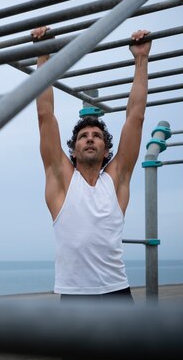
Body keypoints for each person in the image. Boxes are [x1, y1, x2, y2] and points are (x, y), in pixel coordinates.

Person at [31, 26, 151, 303]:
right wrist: (43, 56)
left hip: (117, 292)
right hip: (75, 296)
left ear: (106, 149)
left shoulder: (117, 179)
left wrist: (141, 60)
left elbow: (135, 117)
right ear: (72, 150)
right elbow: (45, 115)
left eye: (97, 136)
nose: (89, 139)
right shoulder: (61, 181)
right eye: (83, 136)